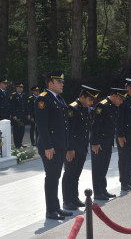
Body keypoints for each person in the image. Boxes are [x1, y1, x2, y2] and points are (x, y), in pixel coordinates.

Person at [34, 70, 72, 220]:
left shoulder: (59, 99)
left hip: (60, 145)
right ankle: (51, 210)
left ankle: (56, 207)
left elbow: (64, 125)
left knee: (56, 176)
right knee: (51, 177)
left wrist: (67, 145)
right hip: (50, 147)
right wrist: (48, 146)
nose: (62, 84)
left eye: (62, 81)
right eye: (59, 81)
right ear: (51, 83)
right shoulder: (43, 99)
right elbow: (42, 126)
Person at [62, 85, 100, 210]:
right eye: (89, 99)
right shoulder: (73, 109)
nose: (91, 103)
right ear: (82, 97)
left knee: (76, 175)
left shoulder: (85, 109)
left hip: (82, 148)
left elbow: (84, 131)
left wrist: (85, 147)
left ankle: (74, 198)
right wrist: (69, 149)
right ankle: (67, 201)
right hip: (72, 149)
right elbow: (69, 131)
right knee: (69, 174)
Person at [91, 87, 126, 200]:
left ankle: (103, 190)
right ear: (114, 96)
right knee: (98, 168)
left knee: (104, 167)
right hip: (99, 143)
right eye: (120, 99)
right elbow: (96, 125)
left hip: (108, 142)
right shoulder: (102, 105)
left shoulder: (114, 106)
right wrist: (95, 142)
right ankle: (97, 192)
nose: (121, 102)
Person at [10, 82, 28, 149]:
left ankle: (20, 143)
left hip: (22, 116)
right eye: (19, 87)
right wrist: (13, 115)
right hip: (16, 116)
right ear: (16, 88)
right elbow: (12, 106)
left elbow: (25, 106)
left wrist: (27, 114)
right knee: (16, 131)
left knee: (22, 130)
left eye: (22, 88)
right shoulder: (13, 95)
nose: (21, 89)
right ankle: (17, 144)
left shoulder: (23, 96)